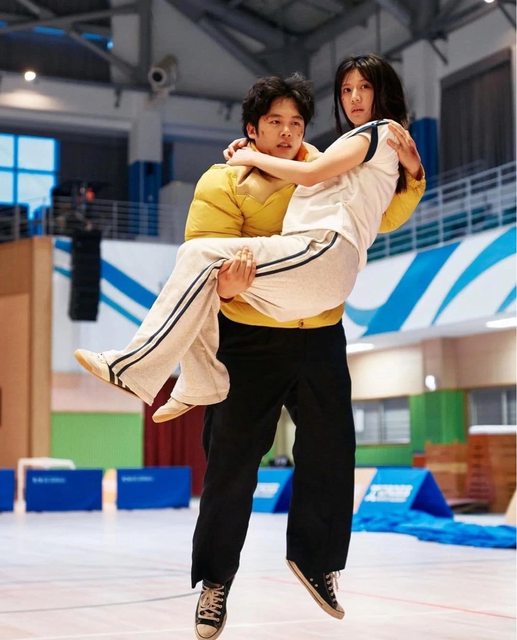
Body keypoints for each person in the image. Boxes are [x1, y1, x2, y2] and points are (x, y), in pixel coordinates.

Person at [75, 55, 425, 640]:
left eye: (296, 123)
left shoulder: (324, 162)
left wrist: (413, 176)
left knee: (333, 450)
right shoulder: (223, 180)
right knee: (231, 468)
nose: (287, 133)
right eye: (275, 123)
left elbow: (380, 213)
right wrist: (228, 288)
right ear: (252, 128)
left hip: (318, 332)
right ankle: (215, 584)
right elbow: (201, 254)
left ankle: (317, 561)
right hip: (251, 333)